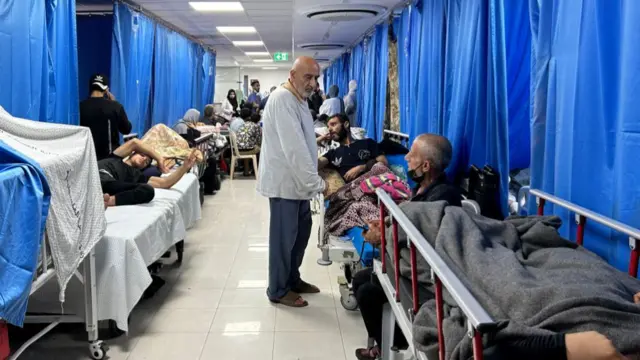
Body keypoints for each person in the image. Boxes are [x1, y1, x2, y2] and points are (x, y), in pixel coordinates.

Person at [351, 134, 461, 360]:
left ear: (426, 165)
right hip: (408, 259)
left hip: (429, 276)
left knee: (367, 292)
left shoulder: (442, 197)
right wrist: (385, 225)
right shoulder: (422, 187)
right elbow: (408, 220)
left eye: (412, 154)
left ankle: (393, 344)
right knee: (361, 279)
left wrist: (383, 236)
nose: (407, 158)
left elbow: (425, 241)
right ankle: (383, 341)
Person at [257, 56, 327, 308]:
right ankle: (277, 289)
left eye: (316, 78)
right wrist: (320, 184)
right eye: (308, 76)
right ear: (292, 74)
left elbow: (304, 141)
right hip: (285, 184)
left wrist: (317, 166)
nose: (313, 83)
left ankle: (292, 279)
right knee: (283, 240)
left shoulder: (299, 100)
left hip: (299, 185)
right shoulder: (282, 99)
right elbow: (294, 150)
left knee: (300, 236)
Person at [99, 138, 197, 207]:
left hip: (108, 185)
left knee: (148, 190)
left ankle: (107, 201)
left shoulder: (137, 176)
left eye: (146, 162)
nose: (143, 159)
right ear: (132, 154)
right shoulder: (115, 157)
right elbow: (134, 142)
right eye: (142, 155)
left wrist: (184, 167)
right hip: (93, 174)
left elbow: (165, 183)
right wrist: (159, 158)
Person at [317, 114, 388, 182]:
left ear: (346, 124)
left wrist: (362, 167)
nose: (329, 129)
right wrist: (316, 141)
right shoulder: (332, 153)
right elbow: (313, 166)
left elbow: (383, 162)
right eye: (328, 127)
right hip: (354, 190)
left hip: (377, 182)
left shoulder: (367, 142)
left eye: (333, 124)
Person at [80, 74, 132, 161]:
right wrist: (114, 103)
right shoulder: (115, 106)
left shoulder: (80, 107)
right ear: (106, 90)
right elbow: (126, 129)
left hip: (88, 159)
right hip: (110, 160)